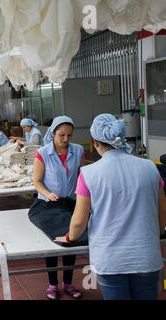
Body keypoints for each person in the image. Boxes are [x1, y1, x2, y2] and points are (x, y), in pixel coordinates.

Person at [55, 114, 166, 300]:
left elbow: (79, 221)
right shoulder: (150, 168)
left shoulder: (89, 174)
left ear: (95, 143)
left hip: (111, 259)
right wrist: (156, 234)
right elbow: (162, 211)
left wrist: (69, 237)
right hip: (146, 256)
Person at [30, 116, 86, 300]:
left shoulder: (78, 151)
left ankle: (68, 283)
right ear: (53, 133)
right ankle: (52, 284)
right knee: (53, 242)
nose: (65, 139)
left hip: (69, 202)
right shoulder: (43, 153)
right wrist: (47, 193)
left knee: (71, 239)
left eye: (69, 135)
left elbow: (81, 176)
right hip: (48, 204)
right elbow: (37, 181)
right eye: (61, 135)